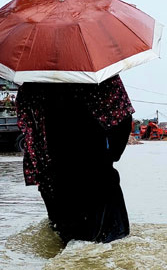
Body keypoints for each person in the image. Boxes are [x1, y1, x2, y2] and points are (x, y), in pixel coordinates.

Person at [16, 75, 134, 244]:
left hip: (55, 175)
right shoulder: (100, 77)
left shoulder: (32, 82)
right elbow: (123, 118)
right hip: (96, 171)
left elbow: (29, 132)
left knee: (67, 241)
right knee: (111, 243)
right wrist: (112, 156)